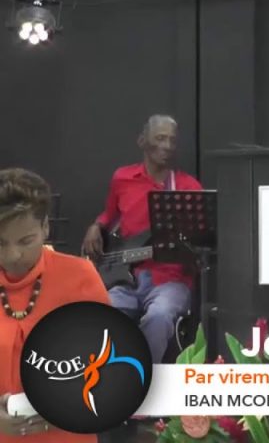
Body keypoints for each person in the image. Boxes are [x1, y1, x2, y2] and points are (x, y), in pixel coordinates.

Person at [80, 114, 202, 364]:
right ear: (142, 141)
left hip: (170, 280)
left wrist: (192, 249)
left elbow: (202, 237)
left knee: (159, 316)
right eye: (160, 138)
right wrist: (96, 226)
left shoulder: (187, 187)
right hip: (127, 278)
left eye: (172, 140)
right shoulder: (123, 178)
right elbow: (110, 214)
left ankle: (141, 377)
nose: (167, 146)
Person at [0, 168, 109, 442]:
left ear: (45, 227)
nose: (13, 255)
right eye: (0, 243)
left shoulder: (79, 277)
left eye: (26, 241)